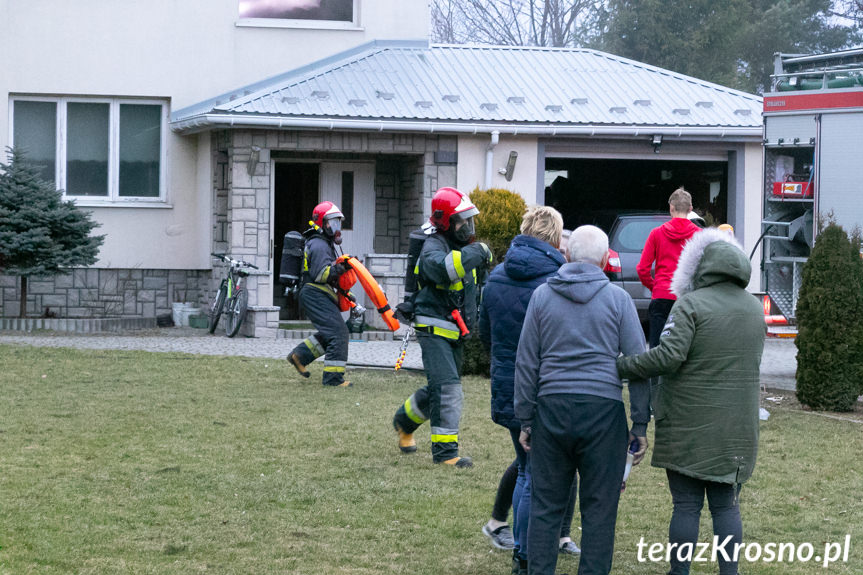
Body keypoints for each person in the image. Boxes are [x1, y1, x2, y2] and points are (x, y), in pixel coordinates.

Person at [617, 228, 765, 575]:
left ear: (697, 266)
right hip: (738, 428)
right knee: (726, 507)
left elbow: (667, 357)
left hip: (688, 424)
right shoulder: (754, 307)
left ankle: (679, 572)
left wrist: (623, 364)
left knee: (685, 506)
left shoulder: (690, 304)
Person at [515, 225, 650, 575]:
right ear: (606, 260)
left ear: (568, 256)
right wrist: (638, 424)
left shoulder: (543, 296)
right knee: (600, 512)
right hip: (603, 413)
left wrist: (526, 418)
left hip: (551, 409)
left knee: (546, 509)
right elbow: (638, 364)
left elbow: (527, 361)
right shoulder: (619, 300)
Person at [478, 207, 578, 568]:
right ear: (555, 237)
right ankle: (525, 549)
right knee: (537, 475)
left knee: (526, 468)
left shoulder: (497, 275)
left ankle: (530, 539)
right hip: (545, 388)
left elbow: (485, 333)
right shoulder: (557, 279)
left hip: (508, 384)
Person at [392, 187, 493, 468]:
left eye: (469, 219)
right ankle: (446, 453)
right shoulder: (434, 246)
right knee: (448, 389)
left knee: (440, 386)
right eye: (461, 220)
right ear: (445, 221)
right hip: (434, 327)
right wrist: (478, 251)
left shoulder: (461, 248)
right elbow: (445, 269)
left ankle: (404, 420)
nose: (467, 226)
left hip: (455, 331)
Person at [287, 201, 354, 388]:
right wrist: (341, 268)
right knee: (339, 334)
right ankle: (333, 379)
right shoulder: (318, 244)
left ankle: (299, 356)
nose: (336, 228)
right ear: (321, 223)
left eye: (338, 223)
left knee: (331, 332)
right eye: (332, 223)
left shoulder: (323, 243)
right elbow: (321, 274)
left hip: (317, 293)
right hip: (314, 293)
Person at [637, 188, 702, 350]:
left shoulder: (656, 234)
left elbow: (642, 270)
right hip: (687, 299)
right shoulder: (699, 236)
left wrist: (656, 287)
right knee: (685, 348)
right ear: (690, 209)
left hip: (661, 297)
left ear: (671, 208)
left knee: (657, 350)